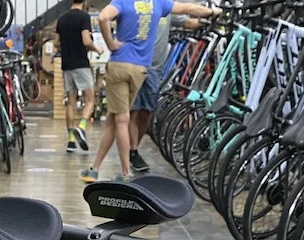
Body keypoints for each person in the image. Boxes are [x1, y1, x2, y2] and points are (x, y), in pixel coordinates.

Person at [80, 0, 218, 182]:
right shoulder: (159, 3)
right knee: (114, 119)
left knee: (121, 119)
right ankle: (94, 168)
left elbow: (103, 17)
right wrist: (213, 12)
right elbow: (187, 8)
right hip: (141, 68)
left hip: (120, 64)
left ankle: (126, 173)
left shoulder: (123, 1)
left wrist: (111, 44)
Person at [129, 14, 208, 173]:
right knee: (133, 111)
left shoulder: (165, 10)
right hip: (135, 65)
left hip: (155, 69)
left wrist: (207, 19)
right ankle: (133, 151)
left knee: (146, 112)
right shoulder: (137, 7)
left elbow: (188, 22)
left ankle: (134, 148)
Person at [56, 0, 105, 152]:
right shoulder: (84, 17)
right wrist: (97, 49)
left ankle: (71, 142)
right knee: (90, 100)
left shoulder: (62, 18)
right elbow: (86, 41)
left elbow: (57, 43)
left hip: (66, 65)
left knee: (70, 103)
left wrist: (68, 44)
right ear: (84, 1)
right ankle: (81, 127)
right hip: (81, 64)